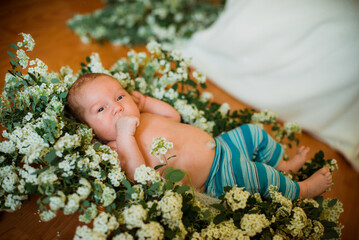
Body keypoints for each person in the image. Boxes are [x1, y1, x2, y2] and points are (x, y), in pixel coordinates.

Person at [67, 73, 332, 200]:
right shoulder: (118, 147)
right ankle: (302, 190)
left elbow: (174, 118)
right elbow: (139, 175)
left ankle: (283, 165)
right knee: (259, 176)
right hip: (216, 176)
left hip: (221, 146)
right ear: (89, 129)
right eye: (101, 109)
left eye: (119, 96)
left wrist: (146, 102)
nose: (117, 107)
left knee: (254, 132)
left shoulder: (143, 115)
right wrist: (125, 136)